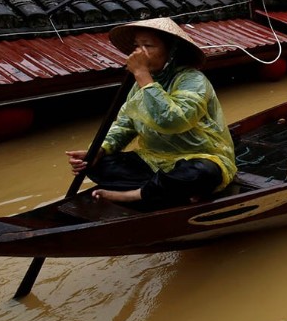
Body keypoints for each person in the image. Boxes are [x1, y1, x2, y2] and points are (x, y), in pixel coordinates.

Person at [66, 18, 237, 207]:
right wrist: (100, 149)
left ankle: (135, 195)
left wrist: (142, 75)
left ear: (171, 51)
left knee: (201, 173)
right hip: (153, 160)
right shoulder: (139, 84)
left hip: (198, 157)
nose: (139, 52)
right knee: (96, 165)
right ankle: (171, 190)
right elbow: (124, 124)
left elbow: (172, 121)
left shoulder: (192, 80)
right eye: (136, 46)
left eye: (148, 45)